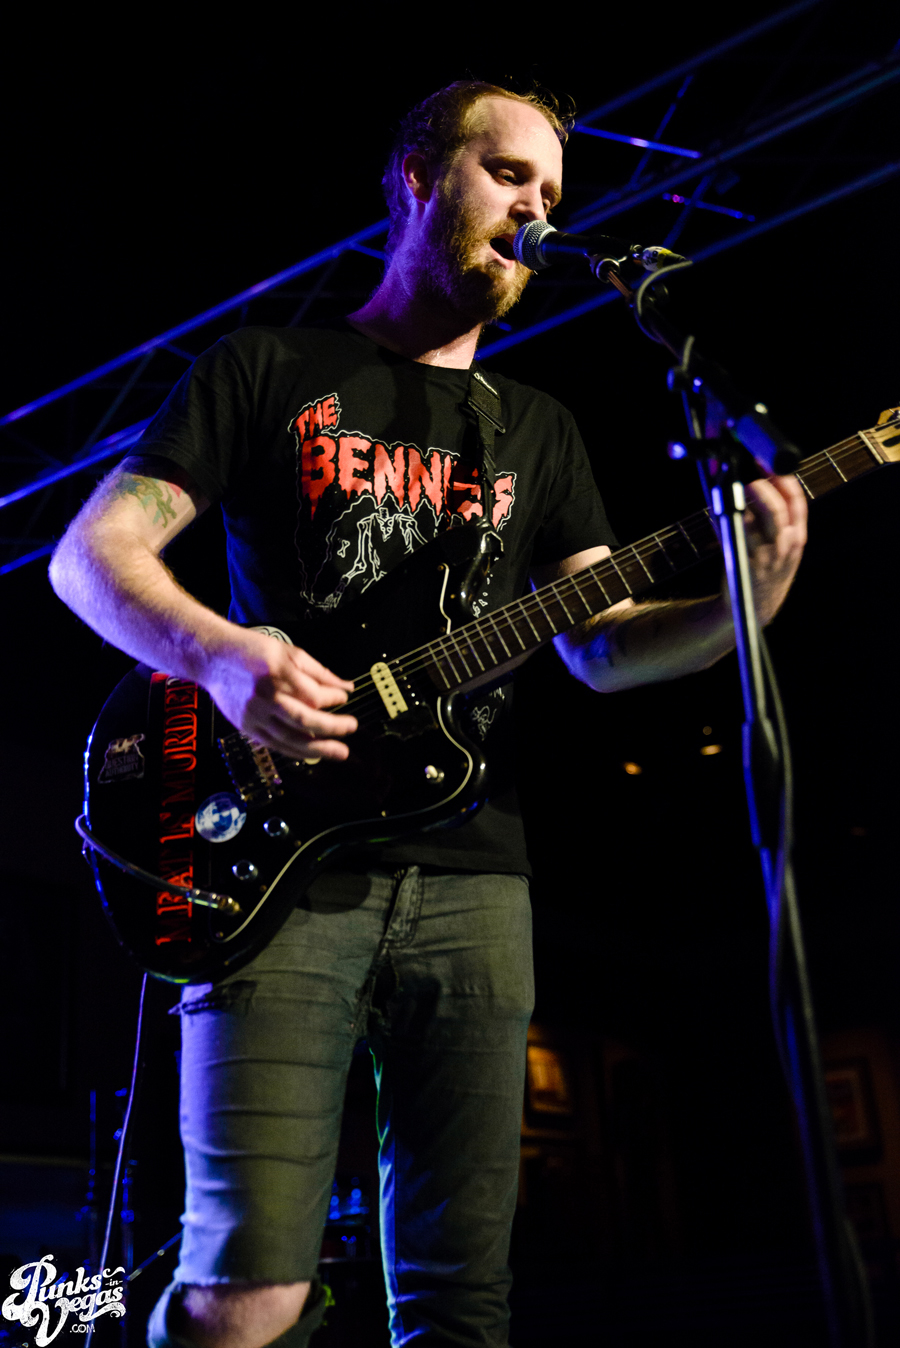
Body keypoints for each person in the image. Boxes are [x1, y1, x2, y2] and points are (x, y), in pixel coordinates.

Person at [49, 81, 807, 1348]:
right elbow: (91, 557)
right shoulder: (270, 367)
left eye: (553, 193)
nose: (537, 211)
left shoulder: (537, 429)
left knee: (462, 1301)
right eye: (510, 176)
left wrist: (749, 601)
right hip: (273, 869)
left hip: (476, 878)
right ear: (418, 178)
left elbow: (599, 648)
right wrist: (224, 658)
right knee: (244, 1294)